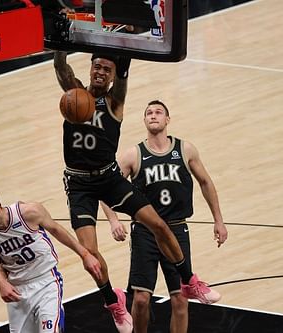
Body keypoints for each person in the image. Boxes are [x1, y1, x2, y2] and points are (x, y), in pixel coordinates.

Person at [53, 51, 221, 333]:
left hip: (108, 177)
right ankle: (112, 300)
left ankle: (189, 280)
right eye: (97, 67)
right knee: (90, 256)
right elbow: (60, 66)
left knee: (156, 222)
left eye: (107, 69)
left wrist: (124, 48)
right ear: (90, 68)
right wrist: (60, 45)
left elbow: (122, 74)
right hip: (79, 183)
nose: (101, 72)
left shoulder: (114, 101)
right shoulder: (74, 94)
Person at [103, 100, 228, 333]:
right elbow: (106, 186)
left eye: (158, 112)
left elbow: (205, 182)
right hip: (145, 232)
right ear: (144, 120)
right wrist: (113, 220)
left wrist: (218, 220)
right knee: (141, 299)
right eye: (149, 113)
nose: (153, 115)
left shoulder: (186, 149)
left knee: (180, 298)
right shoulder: (133, 154)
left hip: (177, 229)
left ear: (167, 120)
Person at [0, 189, 102, 333]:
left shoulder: (28, 212)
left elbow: (56, 230)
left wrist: (85, 255)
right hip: (18, 290)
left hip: (46, 282)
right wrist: (1, 281)